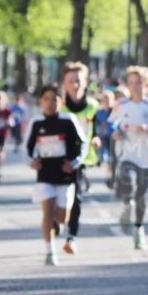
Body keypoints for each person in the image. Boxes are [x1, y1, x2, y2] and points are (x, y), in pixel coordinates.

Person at [25, 84, 87, 266]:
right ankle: (50, 251)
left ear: (61, 102)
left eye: (54, 99)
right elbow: (26, 148)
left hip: (65, 174)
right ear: (40, 101)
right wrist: (32, 162)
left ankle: (55, 223)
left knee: (61, 217)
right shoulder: (36, 123)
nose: (50, 103)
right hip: (45, 174)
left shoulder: (69, 120)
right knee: (47, 209)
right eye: (46, 99)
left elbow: (83, 144)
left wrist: (74, 163)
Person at [109, 66, 148, 251]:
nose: (135, 86)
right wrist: (115, 133)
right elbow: (109, 124)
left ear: (147, 85)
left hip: (147, 158)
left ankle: (139, 230)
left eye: (139, 83)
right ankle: (126, 205)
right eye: (131, 83)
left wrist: (147, 128)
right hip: (126, 155)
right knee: (128, 181)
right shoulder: (121, 104)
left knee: (142, 197)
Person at [61, 62, 100, 256]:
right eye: (70, 81)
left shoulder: (93, 106)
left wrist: (98, 139)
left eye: (78, 80)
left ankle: (71, 237)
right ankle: (57, 222)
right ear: (64, 84)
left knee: (76, 197)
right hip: (59, 159)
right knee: (59, 197)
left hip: (82, 158)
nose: (75, 85)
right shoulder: (60, 108)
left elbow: (99, 129)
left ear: (85, 83)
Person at [94, 90, 118, 188]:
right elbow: (96, 125)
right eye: (104, 100)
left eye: (108, 99)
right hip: (102, 138)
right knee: (107, 159)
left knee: (113, 159)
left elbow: (116, 124)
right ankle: (110, 177)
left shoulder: (115, 111)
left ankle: (112, 177)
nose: (106, 102)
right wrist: (101, 128)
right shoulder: (99, 113)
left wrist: (108, 126)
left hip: (112, 138)